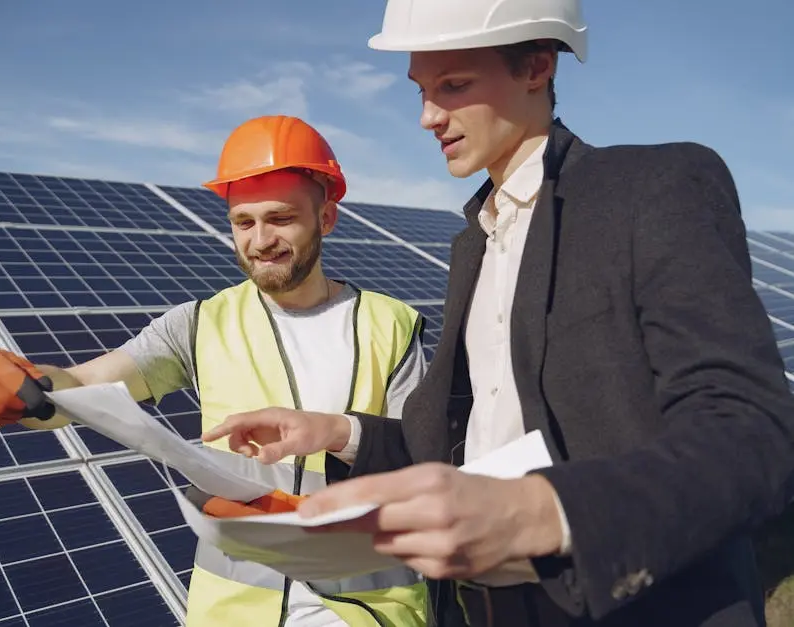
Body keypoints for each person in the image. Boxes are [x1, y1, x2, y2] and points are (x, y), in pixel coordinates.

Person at [200, 3, 794, 626]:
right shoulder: (475, 241)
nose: (429, 116)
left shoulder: (652, 188)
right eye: (423, 91)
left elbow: (750, 431)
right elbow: (468, 450)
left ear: (537, 65)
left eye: (454, 86)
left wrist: (541, 512)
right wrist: (332, 433)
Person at [0, 115, 430, 627]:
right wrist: (25, 387)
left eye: (281, 218)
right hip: (230, 615)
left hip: (366, 612)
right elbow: (86, 386)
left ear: (327, 218)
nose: (260, 239)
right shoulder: (200, 324)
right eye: (243, 222)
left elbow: (427, 465)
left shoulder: (391, 325)